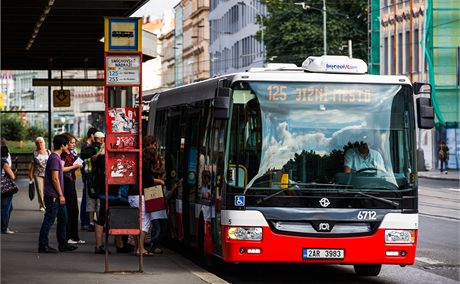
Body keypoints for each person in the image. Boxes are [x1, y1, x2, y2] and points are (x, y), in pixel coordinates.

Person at [38, 134, 78, 253]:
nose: (69, 146)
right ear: (62, 145)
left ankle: (63, 244)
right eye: (67, 144)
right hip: (53, 195)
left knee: (63, 218)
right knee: (49, 220)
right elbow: (55, 179)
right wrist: (60, 195)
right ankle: (43, 245)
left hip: (56, 194)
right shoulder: (55, 158)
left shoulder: (55, 157)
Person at [127, 135, 158, 256]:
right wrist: (158, 181)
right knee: (144, 222)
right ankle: (141, 248)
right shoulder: (146, 165)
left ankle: (136, 248)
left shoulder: (137, 160)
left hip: (132, 195)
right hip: (141, 195)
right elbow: (148, 180)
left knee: (136, 222)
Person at [61, 133, 84, 245]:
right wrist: (75, 167)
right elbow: (61, 169)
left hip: (71, 182)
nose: (73, 144)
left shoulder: (71, 153)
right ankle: (68, 236)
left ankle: (74, 236)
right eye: (71, 142)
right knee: (70, 210)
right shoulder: (64, 155)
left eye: (75, 142)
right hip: (66, 184)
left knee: (75, 210)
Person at [79, 127, 98, 231]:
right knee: (87, 199)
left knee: (87, 198)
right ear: (92, 136)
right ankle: (85, 221)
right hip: (88, 177)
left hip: (87, 177)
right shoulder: (87, 147)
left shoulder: (86, 145)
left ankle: (85, 221)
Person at [28, 137, 51, 212]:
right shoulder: (34, 153)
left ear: (44, 143)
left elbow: (52, 162)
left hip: (47, 174)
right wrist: (30, 174)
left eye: (41, 142)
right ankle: (42, 205)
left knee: (46, 190)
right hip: (37, 174)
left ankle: (45, 204)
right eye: (38, 143)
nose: (40, 144)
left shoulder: (48, 152)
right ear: (36, 144)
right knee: (40, 190)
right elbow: (32, 164)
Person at [1, 145, 16, 234]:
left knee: (9, 208)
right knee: (6, 208)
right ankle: (4, 228)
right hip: (4, 188)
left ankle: (4, 226)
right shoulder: (4, 163)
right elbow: (12, 176)